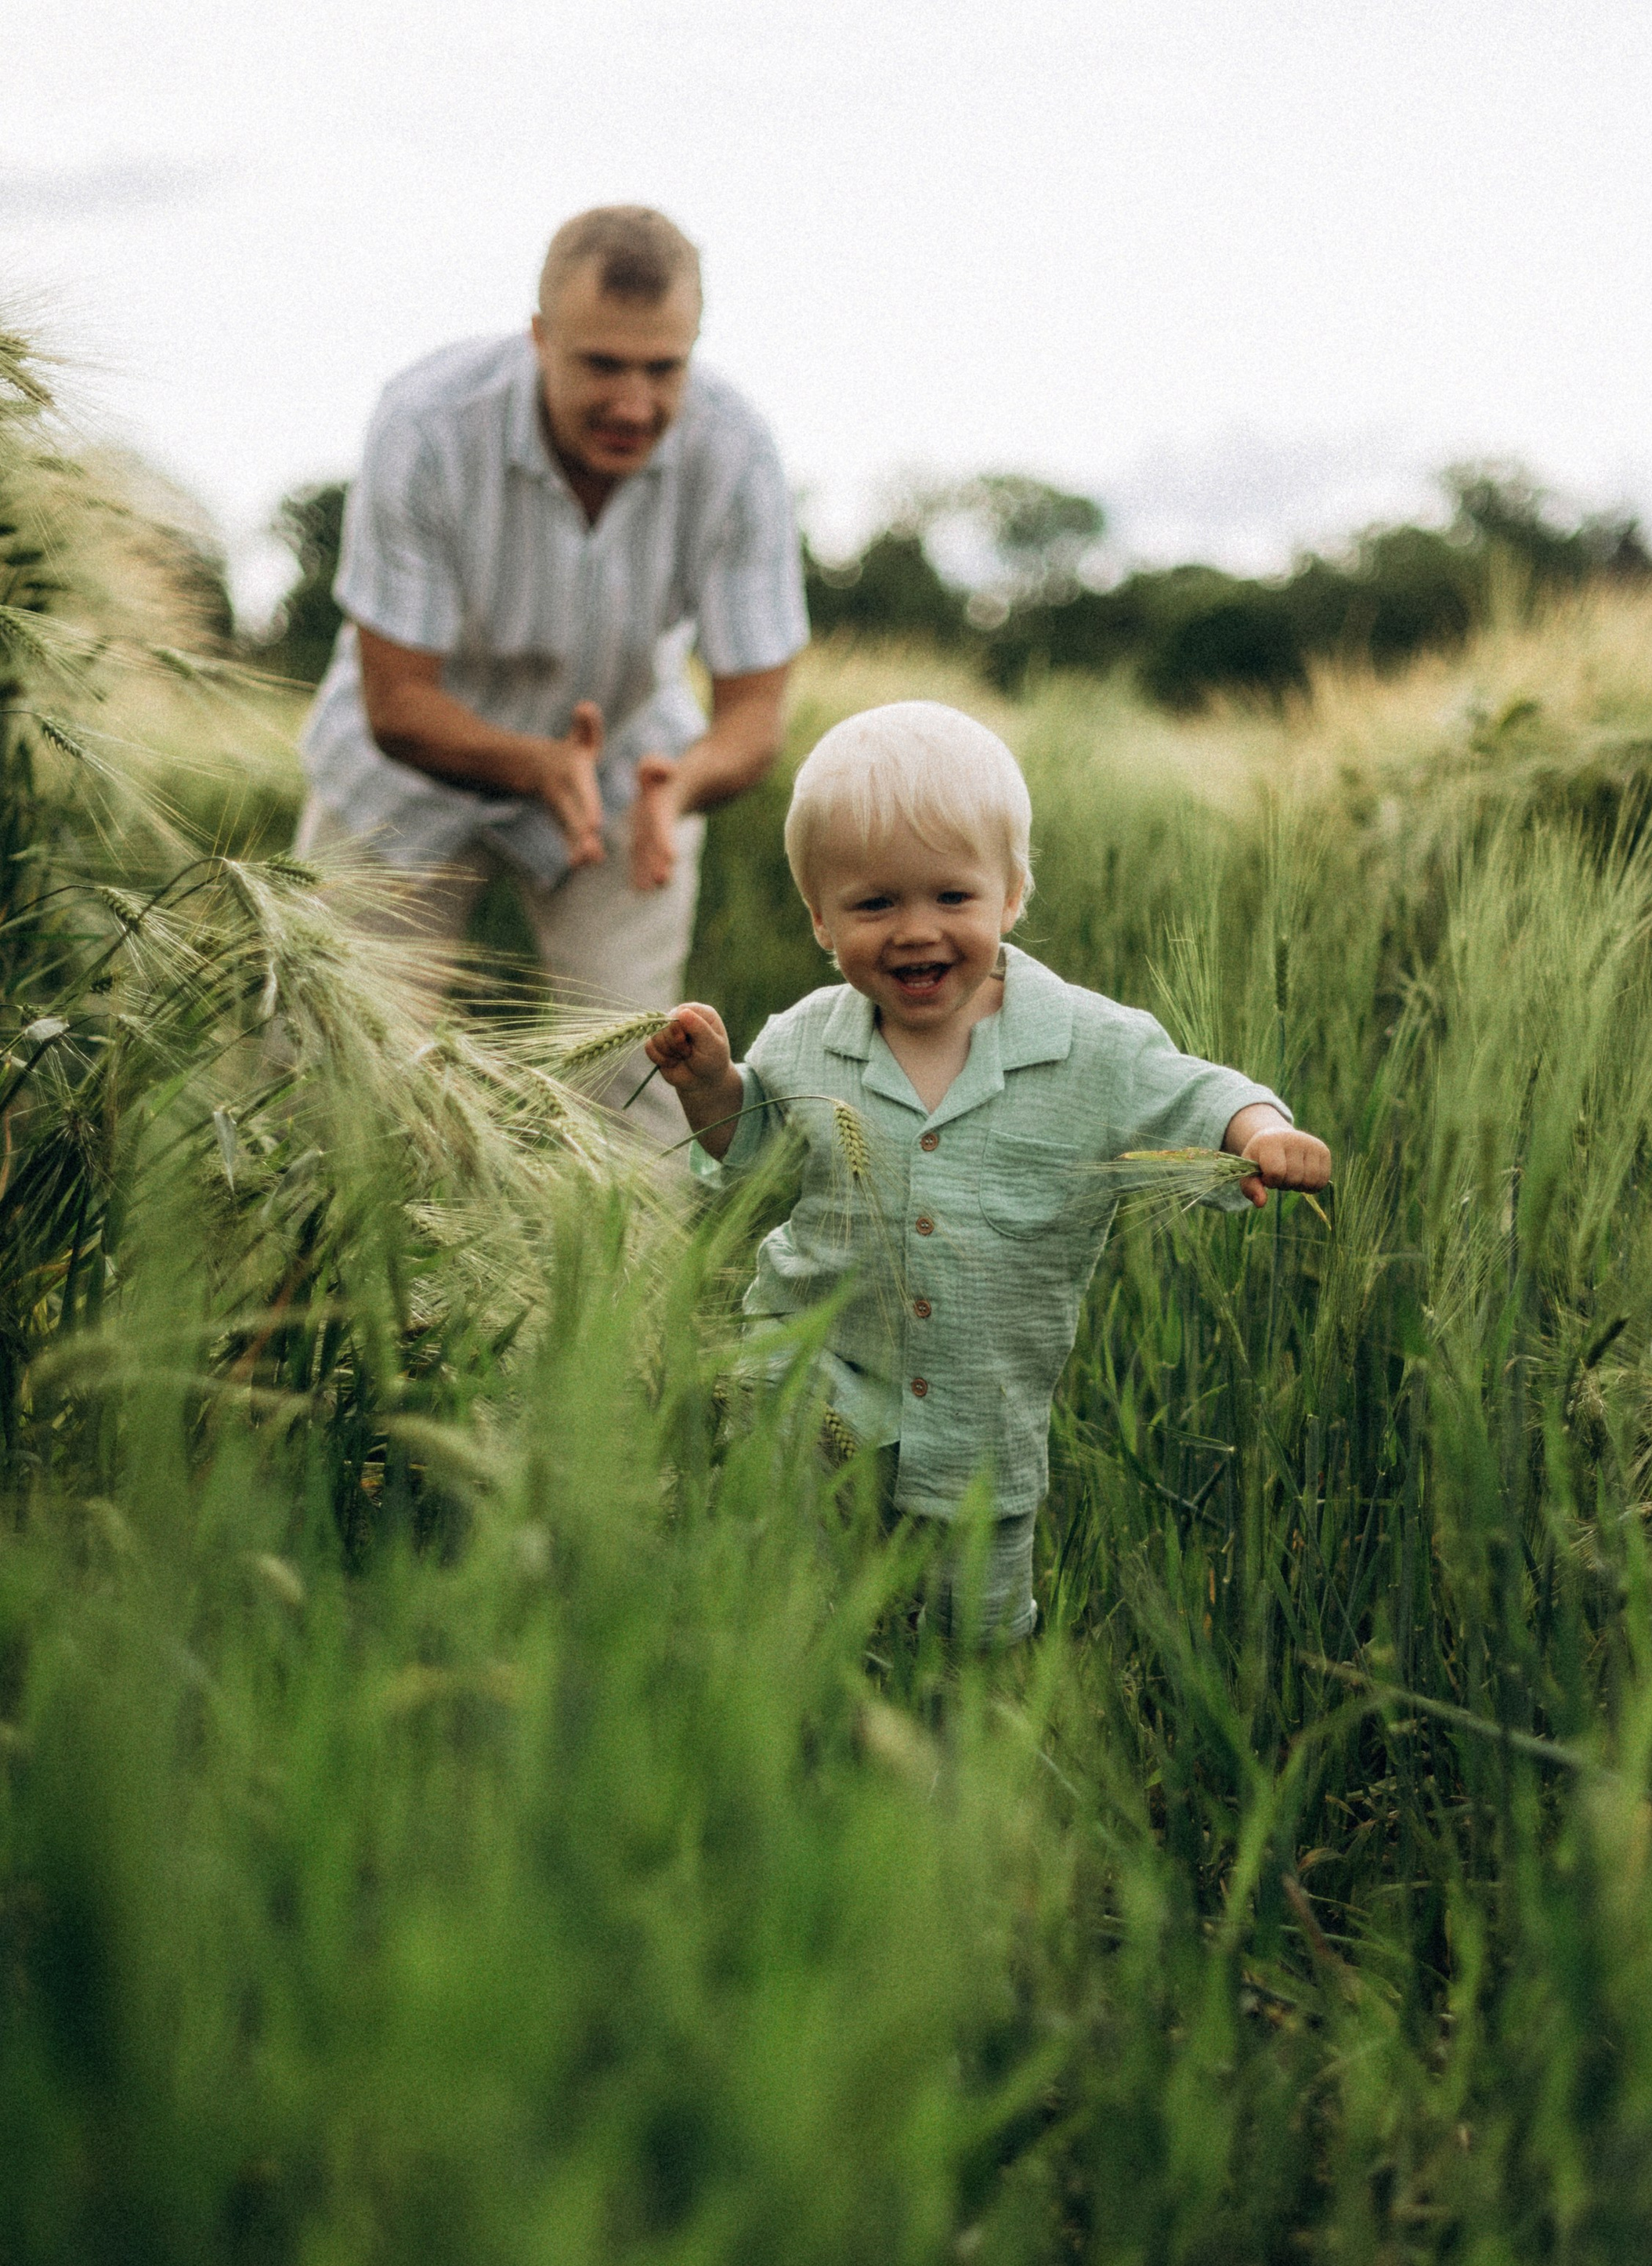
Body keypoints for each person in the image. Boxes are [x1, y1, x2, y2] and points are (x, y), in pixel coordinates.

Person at [642, 700, 1332, 1641]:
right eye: (874, 904)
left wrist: (1258, 1130)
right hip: (812, 1383)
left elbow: (1191, 1091)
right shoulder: (803, 1039)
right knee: (793, 1598)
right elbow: (752, 1153)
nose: (914, 930)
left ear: (1010, 896)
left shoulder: (1088, 1043)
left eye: (951, 898)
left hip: (981, 1421)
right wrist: (711, 1087)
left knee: (973, 1637)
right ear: (818, 918)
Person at [294, 204, 808, 1157]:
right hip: (403, 767)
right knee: (327, 1074)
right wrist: (534, 764)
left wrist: (681, 787)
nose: (635, 405)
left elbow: (753, 715)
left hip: (626, 769)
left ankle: (624, 1257)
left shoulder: (737, 451)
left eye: (664, 368)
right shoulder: (426, 422)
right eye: (602, 364)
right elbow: (396, 704)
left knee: (635, 1077)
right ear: (539, 338)